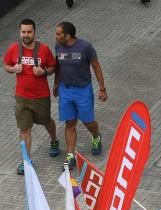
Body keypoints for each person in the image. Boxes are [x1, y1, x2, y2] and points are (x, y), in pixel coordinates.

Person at [5, 18, 59, 174]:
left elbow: (52, 67)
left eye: (29, 32)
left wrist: (44, 72)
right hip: (22, 98)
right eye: (23, 32)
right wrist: (13, 69)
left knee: (47, 122)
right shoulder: (14, 48)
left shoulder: (44, 49)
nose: (26, 35)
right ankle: (26, 160)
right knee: (25, 129)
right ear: (19, 32)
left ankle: (54, 140)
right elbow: (6, 65)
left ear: (34, 32)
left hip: (41, 97)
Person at [53, 22, 105, 164]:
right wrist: (56, 83)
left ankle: (96, 136)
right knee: (70, 123)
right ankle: (71, 155)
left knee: (88, 122)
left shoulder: (85, 47)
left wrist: (102, 88)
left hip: (82, 91)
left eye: (58, 34)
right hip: (65, 90)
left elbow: (96, 66)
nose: (55, 36)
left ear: (68, 35)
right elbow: (58, 65)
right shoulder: (58, 46)